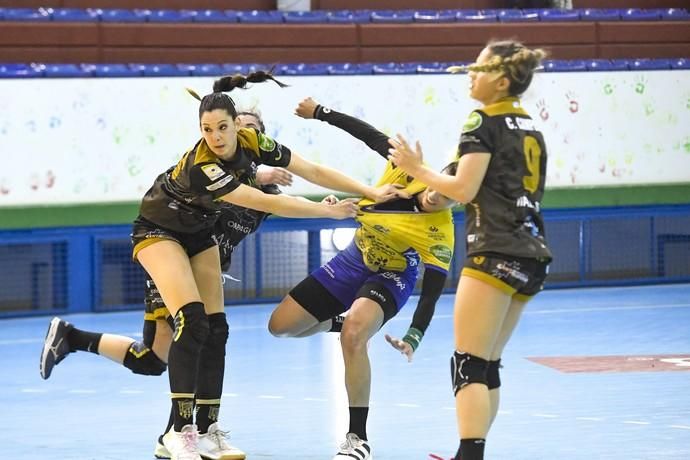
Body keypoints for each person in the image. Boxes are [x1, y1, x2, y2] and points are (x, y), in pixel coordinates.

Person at [42, 70, 405, 460]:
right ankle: (179, 432)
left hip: (199, 238)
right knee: (189, 326)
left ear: (240, 130)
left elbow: (310, 171)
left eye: (223, 128)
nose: (215, 137)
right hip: (159, 233)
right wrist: (323, 211)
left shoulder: (253, 145)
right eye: (207, 129)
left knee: (209, 332)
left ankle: (206, 427)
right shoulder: (205, 168)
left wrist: (367, 191)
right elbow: (273, 203)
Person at [38, 110, 294, 459]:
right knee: (197, 336)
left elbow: (268, 201)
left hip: (204, 270)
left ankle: (73, 338)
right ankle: (181, 433)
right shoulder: (211, 172)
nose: (235, 135)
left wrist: (326, 204)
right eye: (234, 127)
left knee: (155, 359)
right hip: (175, 259)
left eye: (250, 130)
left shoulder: (266, 192)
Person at [387, 40, 553, 460]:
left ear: (501, 80)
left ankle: (469, 455)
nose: (470, 76)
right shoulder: (530, 125)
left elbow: (463, 188)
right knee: (487, 363)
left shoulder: (480, 121)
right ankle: (474, 452)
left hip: (493, 251)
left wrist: (416, 171)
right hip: (532, 253)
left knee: (467, 363)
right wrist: (431, 192)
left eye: (478, 69)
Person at [268, 97, 457, 460]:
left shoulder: (440, 235)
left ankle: (358, 438)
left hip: (392, 276)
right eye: (437, 186)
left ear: (457, 202)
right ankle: (339, 322)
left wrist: (413, 338)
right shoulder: (407, 169)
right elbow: (367, 134)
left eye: (447, 198)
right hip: (355, 258)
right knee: (280, 326)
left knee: (355, 335)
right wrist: (320, 113)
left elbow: (431, 295)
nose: (436, 197)